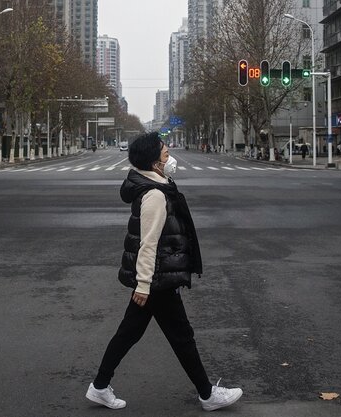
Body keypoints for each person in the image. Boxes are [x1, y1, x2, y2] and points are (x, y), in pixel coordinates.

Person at [86, 132, 243, 412]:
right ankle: (207, 395)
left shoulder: (159, 185)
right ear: (154, 162)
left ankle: (99, 386)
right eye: (166, 154)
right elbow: (148, 243)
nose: (170, 158)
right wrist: (144, 284)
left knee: (130, 333)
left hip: (157, 278)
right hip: (157, 280)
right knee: (181, 336)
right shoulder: (155, 194)